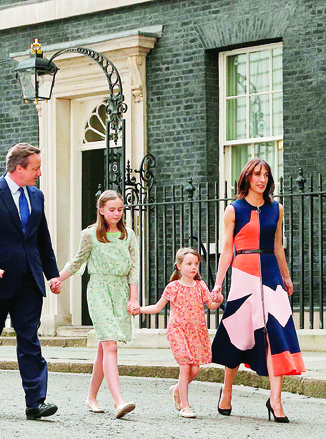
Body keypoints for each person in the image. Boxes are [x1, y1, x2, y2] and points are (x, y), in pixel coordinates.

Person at [0, 142, 63, 420]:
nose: (39, 173)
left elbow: (41, 238)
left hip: (28, 281)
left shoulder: (36, 196)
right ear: (19, 168)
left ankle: (35, 402)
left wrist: (52, 273)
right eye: (35, 168)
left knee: (29, 340)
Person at [211, 158, 306, 423]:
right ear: (247, 178)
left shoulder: (277, 209)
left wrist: (286, 277)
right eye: (256, 175)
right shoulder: (234, 210)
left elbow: (278, 246)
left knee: (277, 333)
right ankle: (227, 390)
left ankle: (275, 400)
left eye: (265, 175)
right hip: (244, 274)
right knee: (239, 336)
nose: (261, 179)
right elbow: (227, 249)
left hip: (271, 275)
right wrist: (218, 283)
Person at [57, 190, 139, 419]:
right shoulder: (90, 234)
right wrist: (57, 278)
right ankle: (118, 401)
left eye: (120, 209)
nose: (116, 213)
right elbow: (77, 261)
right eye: (111, 209)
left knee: (104, 349)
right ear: (101, 210)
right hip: (99, 290)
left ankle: (91, 397)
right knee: (110, 344)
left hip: (121, 291)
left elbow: (134, 270)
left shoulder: (129, 235)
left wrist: (133, 298)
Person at [134, 248, 223, 418]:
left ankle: (176, 389)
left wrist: (219, 300)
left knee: (194, 370)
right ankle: (185, 406)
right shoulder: (173, 287)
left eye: (196, 264)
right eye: (189, 264)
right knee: (185, 366)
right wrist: (140, 309)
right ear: (179, 266)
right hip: (178, 331)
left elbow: (211, 305)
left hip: (196, 332)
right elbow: (157, 307)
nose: (193, 267)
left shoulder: (201, 285)